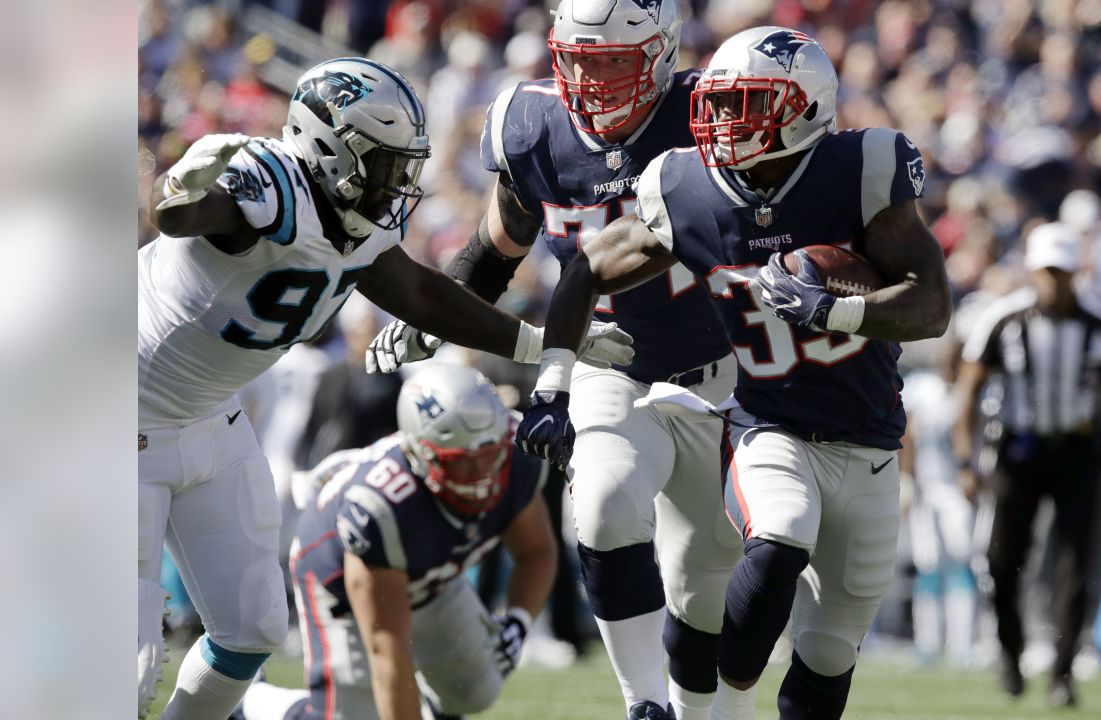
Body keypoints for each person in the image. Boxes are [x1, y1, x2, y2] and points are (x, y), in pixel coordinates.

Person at [138, 57, 631, 720]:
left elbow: (427, 296)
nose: (395, 182)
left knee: (250, 631)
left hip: (211, 420)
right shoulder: (270, 179)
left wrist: (546, 344)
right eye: (382, 163)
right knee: (128, 664)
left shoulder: (353, 222)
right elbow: (187, 215)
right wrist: (179, 192)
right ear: (328, 147)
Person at [518, 26, 951, 720]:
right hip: (768, 425)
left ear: (805, 107)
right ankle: (722, 709)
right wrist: (554, 379)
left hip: (870, 442)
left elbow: (931, 305)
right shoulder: (687, 186)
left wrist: (835, 311)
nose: (721, 121)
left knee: (832, 649)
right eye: (717, 104)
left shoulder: (860, 169)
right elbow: (588, 268)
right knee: (779, 537)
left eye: (744, 103)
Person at [366, 2, 742, 718]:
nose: (590, 79)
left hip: (722, 374)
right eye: (577, 58)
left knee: (704, 591)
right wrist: (433, 316)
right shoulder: (535, 125)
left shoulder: (712, 115)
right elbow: (494, 250)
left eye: (610, 60)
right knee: (599, 509)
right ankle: (642, 704)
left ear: (662, 53)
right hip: (605, 356)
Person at [236, 365, 557, 720]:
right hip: (341, 581)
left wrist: (518, 621)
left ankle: (434, 707)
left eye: (489, 456)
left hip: (429, 580)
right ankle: (254, 702)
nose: (481, 475)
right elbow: (388, 651)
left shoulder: (516, 457)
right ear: (422, 454)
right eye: (463, 464)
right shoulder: (381, 508)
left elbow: (536, 551)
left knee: (477, 685)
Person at [951, 221, 1101, 708]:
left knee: (1078, 564)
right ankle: (1011, 651)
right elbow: (967, 393)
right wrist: (966, 461)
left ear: (1076, 272)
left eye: (1063, 272)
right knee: (998, 561)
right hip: (1017, 451)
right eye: (1047, 272)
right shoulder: (1004, 321)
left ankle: (1062, 671)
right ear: (1033, 271)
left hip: (1078, 452)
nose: (1055, 282)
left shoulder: (1097, 327)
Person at [898, 344, 977, 666]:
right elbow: (908, 436)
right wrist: (907, 480)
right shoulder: (922, 388)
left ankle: (963, 644)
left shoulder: (969, 391)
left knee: (962, 563)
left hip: (957, 491)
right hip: (926, 490)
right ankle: (927, 642)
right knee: (928, 566)